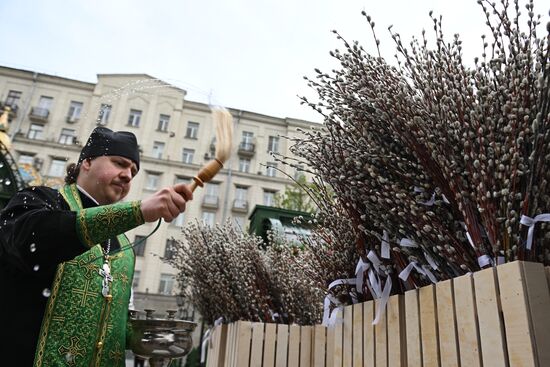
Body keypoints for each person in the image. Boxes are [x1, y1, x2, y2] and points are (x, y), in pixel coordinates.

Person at [0, 127, 193, 366]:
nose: (127, 175)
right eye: (119, 163)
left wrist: (150, 338)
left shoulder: (123, 244)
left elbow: (108, 327)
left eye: (133, 171)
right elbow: (30, 239)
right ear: (87, 162)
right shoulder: (41, 200)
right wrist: (137, 211)